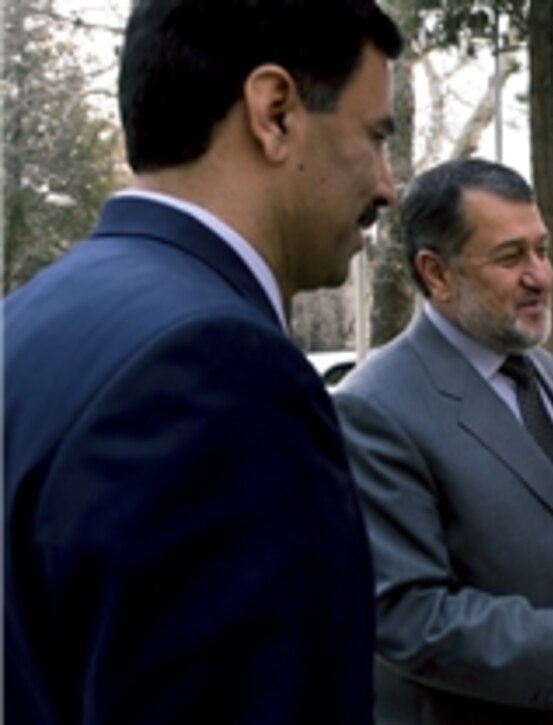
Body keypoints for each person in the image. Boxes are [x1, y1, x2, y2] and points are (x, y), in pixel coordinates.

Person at [4, 1, 402, 722]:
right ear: (275, 112)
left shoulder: (27, 319)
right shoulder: (224, 373)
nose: (387, 184)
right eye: (374, 137)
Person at [333, 158, 553, 724]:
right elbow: (410, 620)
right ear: (437, 274)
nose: (541, 276)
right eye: (510, 256)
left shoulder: (539, 369)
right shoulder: (373, 408)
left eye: (542, 250)